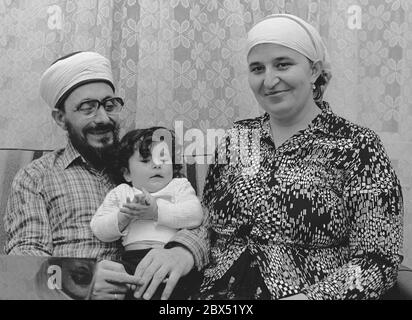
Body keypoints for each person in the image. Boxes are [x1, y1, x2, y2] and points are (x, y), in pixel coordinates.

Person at [195, 13, 404, 300]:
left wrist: (313, 298)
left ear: (314, 70)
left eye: (283, 64)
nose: (269, 80)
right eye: (257, 69)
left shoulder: (358, 145)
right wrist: (185, 248)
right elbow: (208, 222)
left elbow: (378, 261)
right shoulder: (238, 137)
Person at [4, 51, 209, 300]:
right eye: (87, 109)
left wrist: (183, 250)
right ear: (61, 118)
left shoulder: (145, 161)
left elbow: (203, 219)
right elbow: (23, 265)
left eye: (109, 105)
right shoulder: (36, 177)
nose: (103, 118)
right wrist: (81, 281)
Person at [90, 127, 204, 299]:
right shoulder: (122, 193)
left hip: (172, 257)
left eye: (163, 159)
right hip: (131, 262)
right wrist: (123, 217)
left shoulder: (178, 186)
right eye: (145, 160)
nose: (157, 164)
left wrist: (157, 212)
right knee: (118, 288)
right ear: (127, 173)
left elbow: (195, 215)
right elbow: (99, 228)